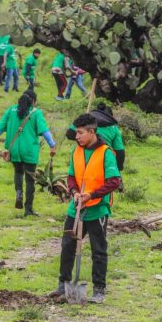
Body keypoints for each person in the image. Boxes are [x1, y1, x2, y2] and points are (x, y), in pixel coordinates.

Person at [49, 114, 122, 304]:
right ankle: (63, 284)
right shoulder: (77, 150)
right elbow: (71, 176)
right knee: (67, 246)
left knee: (99, 250)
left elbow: (114, 181)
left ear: (92, 132)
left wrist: (92, 195)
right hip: (76, 207)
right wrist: (73, 191)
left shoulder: (106, 153)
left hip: (97, 209)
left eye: (80, 133)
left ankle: (99, 290)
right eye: (76, 133)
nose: (77, 136)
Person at [0, 90, 57, 216]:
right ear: (33, 101)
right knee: (30, 179)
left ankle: (19, 192)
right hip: (29, 151)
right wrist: (52, 145)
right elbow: (45, 131)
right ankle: (28, 209)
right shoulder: (36, 113)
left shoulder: (11, 110)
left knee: (18, 172)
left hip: (14, 150)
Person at [66, 102, 126, 171]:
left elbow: (69, 134)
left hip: (84, 158)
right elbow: (119, 151)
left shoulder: (86, 123)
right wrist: (118, 167)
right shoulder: (114, 129)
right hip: (104, 159)